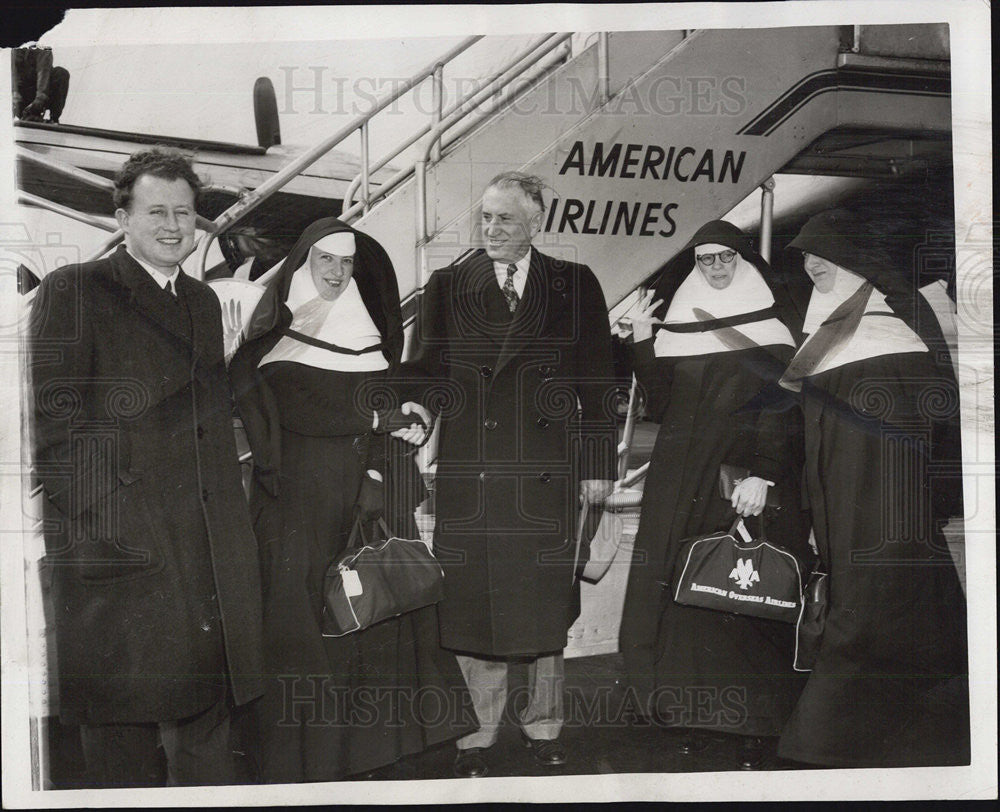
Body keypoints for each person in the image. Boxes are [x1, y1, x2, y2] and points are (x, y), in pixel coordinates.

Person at [28, 147, 264, 787]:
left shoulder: (201, 301)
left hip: (204, 543)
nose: (172, 225)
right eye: (155, 210)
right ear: (123, 216)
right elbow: (55, 426)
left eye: (183, 212)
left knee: (207, 713)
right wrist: (117, 524)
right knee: (121, 723)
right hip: (124, 546)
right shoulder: (77, 289)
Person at [229, 217, 474, 783]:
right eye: (326, 261)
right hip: (298, 508)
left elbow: (390, 414)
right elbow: (289, 415)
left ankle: (370, 754)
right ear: (303, 265)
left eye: (347, 262)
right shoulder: (273, 345)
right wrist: (377, 416)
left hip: (368, 504)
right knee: (305, 633)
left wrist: (403, 425)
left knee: (377, 623)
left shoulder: (371, 340)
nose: (338, 273)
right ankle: (310, 762)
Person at [396, 172, 617, 777]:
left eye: (506, 221)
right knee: (475, 610)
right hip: (477, 473)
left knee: (544, 612)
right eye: (486, 218)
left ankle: (545, 726)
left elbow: (599, 382)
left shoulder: (574, 284)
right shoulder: (447, 285)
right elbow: (426, 371)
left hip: (548, 475)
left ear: (535, 224)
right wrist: (409, 414)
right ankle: (476, 733)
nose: (491, 230)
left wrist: (597, 466)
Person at [776, 209, 969, 768]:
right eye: (807, 256)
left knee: (863, 603)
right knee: (895, 601)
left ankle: (822, 738)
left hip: (881, 499)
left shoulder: (894, 328)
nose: (812, 264)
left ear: (857, 262)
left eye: (823, 254)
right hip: (838, 494)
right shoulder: (824, 330)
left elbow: (934, 419)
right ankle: (914, 714)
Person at [617, 220, 812, 770]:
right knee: (683, 592)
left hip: (740, 479)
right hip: (679, 477)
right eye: (706, 260)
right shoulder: (681, 321)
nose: (717, 268)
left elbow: (785, 409)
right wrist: (639, 338)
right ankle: (683, 711)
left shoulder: (773, 328)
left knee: (742, 593)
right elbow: (660, 401)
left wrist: (764, 473)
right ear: (695, 264)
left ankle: (754, 719)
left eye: (726, 257)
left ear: (743, 259)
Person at [12, 46, 70, 123]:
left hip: (41, 93)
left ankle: (54, 119)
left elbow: (43, 70)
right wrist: (15, 94)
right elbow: (12, 70)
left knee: (61, 73)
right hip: (19, 95)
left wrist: (40, 99)